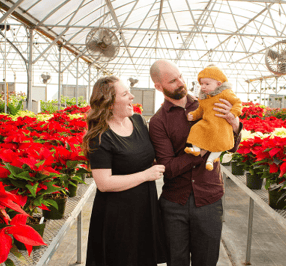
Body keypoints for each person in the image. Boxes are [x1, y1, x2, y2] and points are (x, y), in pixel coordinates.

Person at [148, 59, 243, 266]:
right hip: (175, 203)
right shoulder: (158, 122)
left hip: (209, 199)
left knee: (207, 260)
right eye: (173, 81)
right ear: (158, 86)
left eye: (180, 76)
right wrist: (205, 149)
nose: (181, 83)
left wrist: (234, 125)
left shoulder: (209, 103)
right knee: (176, 261)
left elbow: (231, 147)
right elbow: (169, 168)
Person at [82, 76, 167, 266]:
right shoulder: (100, 136)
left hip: (144, 209)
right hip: (117, 215)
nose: (132, 96)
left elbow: (141, 156)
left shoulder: (137, 121)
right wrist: (146, 175)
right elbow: (104, 183)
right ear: (110, 104)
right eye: (125, 93)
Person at [185, 65, 242, 171]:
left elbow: (237, 102)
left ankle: (210, 161)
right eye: (201, 83)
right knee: (195, 128)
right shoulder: (204, 98)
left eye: (207, 84)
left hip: (222, 125)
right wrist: (193, 115)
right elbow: (200, 111)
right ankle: (196, 149)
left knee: (220, 143)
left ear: (219, 84)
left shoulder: (226, 93)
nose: (203, 86)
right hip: (208, 123)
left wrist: (233, 113)